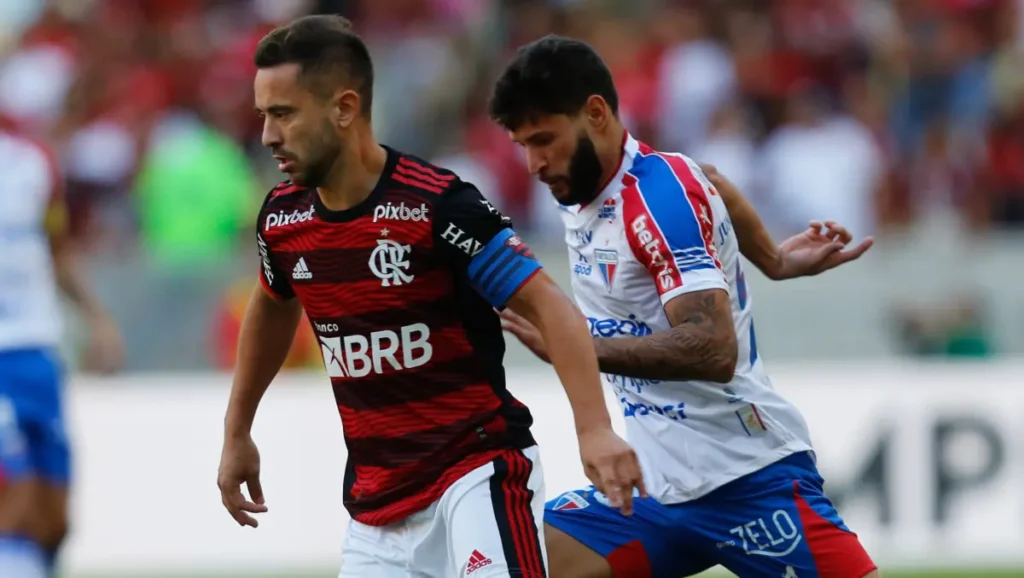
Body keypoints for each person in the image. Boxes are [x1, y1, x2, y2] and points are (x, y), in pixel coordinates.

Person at [215, 16, 643, 578]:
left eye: (284, 114)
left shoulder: (436, 206)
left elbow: (548, 305)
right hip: (375, 510)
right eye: (264, 115)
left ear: (344, 109)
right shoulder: (283, 219)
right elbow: (273, 303)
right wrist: (238, 431)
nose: (269, 136)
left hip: (474, 475)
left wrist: (593, 428)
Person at [489, 35, 880, 578]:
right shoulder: (598, 183)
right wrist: (771, 258)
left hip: (747, 480)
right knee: (512, 562)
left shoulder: (654, 203)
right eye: (522, 145)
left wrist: (575, 344)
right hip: (651, 491)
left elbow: (715, 348)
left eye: (544, 140)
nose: (533, 163)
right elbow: (711, 178)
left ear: (596, 114)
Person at [0, 115, 124, 578]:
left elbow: (56, 249)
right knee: (13, 502)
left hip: (37, 350)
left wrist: (97, 318)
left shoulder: (31, 163)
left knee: (54, 521)